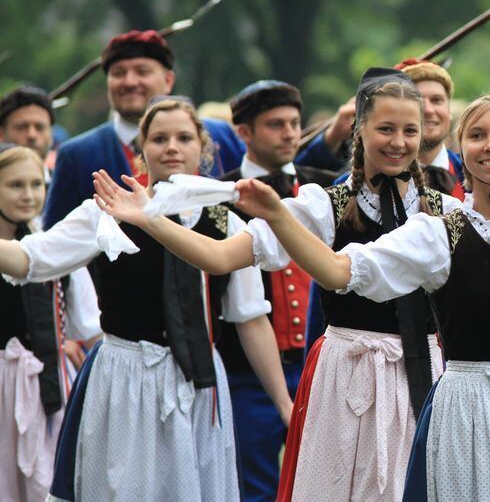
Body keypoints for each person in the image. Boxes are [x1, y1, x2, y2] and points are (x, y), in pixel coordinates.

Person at [107, 93, 490, 500]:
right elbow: (340, 272)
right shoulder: (433, 228)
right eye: (478, 135)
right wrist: (263, 218)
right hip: (453, 401)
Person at [93, 69, 461, 501]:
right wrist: (151, 220)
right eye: (385, 128)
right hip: (348, 372)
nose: (398, 141)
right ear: (359, 131)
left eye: (409, 130)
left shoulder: (446, 212)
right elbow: (220, 256)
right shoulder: (323, 205)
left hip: (426, 372)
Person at [1, 98, 292, 500]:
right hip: (126, 375)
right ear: (142, 149)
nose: (172, 146)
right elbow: (31, 258)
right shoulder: (106, 212)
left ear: (202, 149)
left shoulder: (227, 222)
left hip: (199, 382)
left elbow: (250, 319)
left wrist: (284, 404)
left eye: (184, 137)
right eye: (159, 138)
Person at [217, 80, 338, 501]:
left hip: (321, 367)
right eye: (275, 124)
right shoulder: (223, 197)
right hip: (247, 372)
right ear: (244, 133)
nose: (289, 132)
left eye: (293, 123)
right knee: (254, 487)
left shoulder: (326, 190)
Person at [42, 30, 246, 228]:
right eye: (119, 73)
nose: (130, 82)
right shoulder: (76, 155)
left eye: (142, 71)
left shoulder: (219, 134)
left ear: (168, 80)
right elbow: (55, 241)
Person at [0, 144, 101, 501]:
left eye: (37, 184)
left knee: (48, 478)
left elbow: (91, 325)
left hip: (49, 383)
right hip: (2, 383)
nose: (28, 195)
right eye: (15, 185)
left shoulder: (54, 245)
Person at [395, 58, 466, 199]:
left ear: (449, 111)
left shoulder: (478, 178)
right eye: (417, 100)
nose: (428, 110)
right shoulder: (359, 186)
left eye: (437, 100)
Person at [0, 86, 55, 164]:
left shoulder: (64, 175)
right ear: (1, 134)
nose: (32, 135)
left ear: (51, 133)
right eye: (22, 127)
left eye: (40, 127)